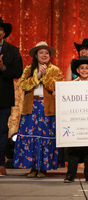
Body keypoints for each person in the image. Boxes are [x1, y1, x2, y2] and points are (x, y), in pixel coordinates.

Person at [13, 41, 63, 178]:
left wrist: (44, 75)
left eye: (46, 53)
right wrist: (37, 76)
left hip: (47, 108)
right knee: (31, 138)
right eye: (41, 52)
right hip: (31, 107)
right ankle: (32, 168)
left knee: (45, 138)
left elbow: (57, 87)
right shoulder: (29, 69)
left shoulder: (55, 70)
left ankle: (43, 168)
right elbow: (23, 85)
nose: (44, 55)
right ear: (36, 55)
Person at [64, 56, 88, 183]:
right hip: (75, 120)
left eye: (87, 68)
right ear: (77, 70)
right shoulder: (71, 85)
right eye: (82, 68)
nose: (84, 70)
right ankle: (70, 174)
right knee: (73, 149)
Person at [0, 17, 23, 176]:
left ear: (3, 32)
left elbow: (18, 72)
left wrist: (3, 67)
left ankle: (0, 163)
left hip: (3, 97)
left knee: (2, 130)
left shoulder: (12, 50)